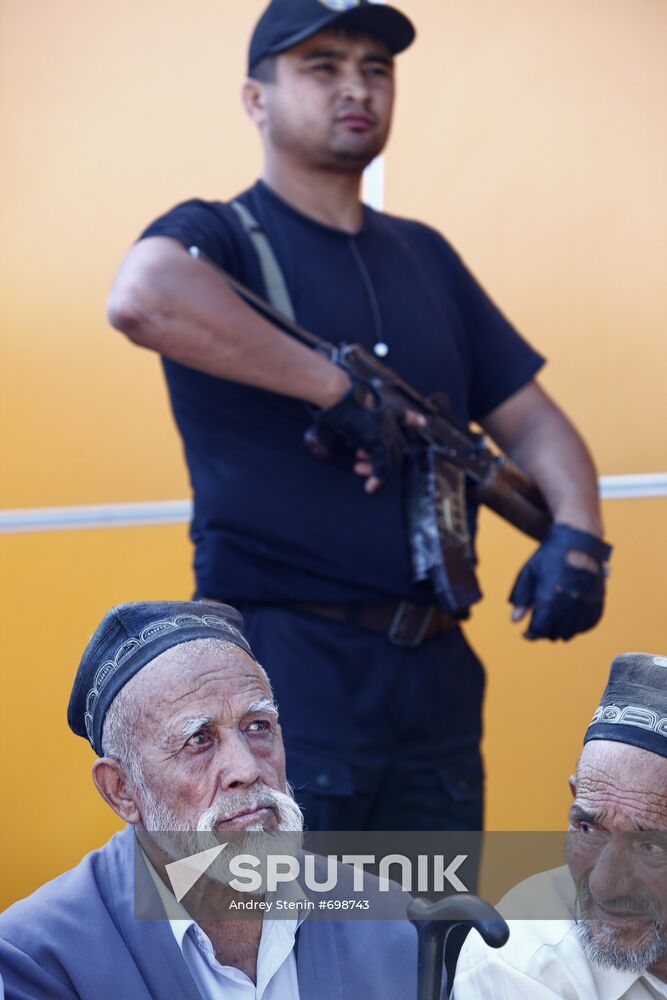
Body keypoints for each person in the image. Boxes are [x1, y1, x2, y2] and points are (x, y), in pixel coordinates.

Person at [107, 0, 611, 832]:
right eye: (323, 66)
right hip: (279, 677)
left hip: (436, 678)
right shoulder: (222, 236)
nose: (357, 87)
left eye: (375, 69)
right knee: (286, 939)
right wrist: (334, 390)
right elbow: (142, 296)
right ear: (255, 98)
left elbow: (531, 420)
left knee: (434, 936)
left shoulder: (425, 255)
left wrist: (579, 537)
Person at [0, 600, 431, 1000]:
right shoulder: (37, 957)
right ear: (122, 790)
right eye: (198, 740)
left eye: (258, 726)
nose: (246, 769)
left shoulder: (391, 920)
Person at [453, 652, 667, 998]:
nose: (604, 885)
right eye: (588, 829)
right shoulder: (524, 960)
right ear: (574, 796)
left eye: (651, 846)